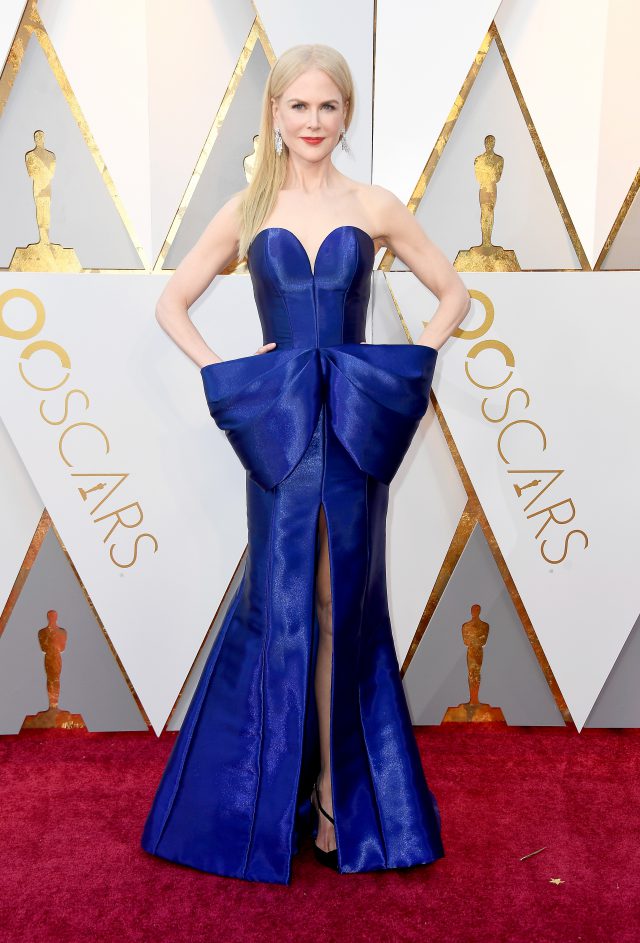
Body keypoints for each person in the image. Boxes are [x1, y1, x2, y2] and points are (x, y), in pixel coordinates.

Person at [141, 43, 470, 885]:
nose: (313, 121)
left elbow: (454, 293)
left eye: (328, 106)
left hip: (354, 428)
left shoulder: (375, 205)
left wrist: (406, 366)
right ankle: (265, 798)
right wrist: (232, 372)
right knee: (284, 603)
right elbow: (171, 303)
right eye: (299, 106)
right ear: (276, 114)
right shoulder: (248, 209)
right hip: (282, 430)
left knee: (339, 603)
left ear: (346, 114)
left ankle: (332, 796)